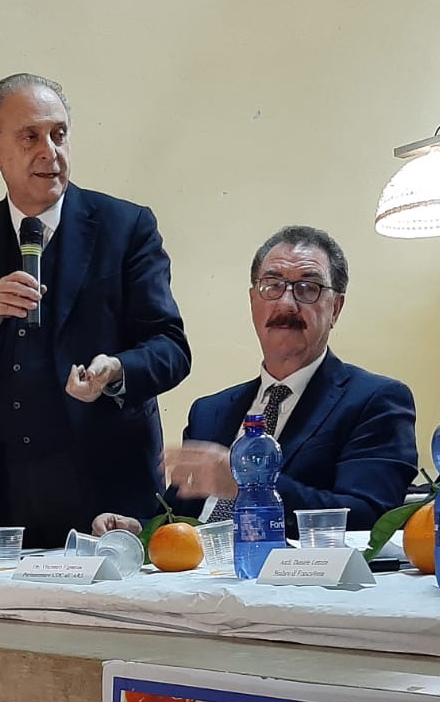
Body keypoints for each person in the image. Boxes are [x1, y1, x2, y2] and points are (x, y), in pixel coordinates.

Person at [0, 73, 190, 547]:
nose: (50, 152)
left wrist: (116, 370)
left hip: (104, 486)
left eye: (58, 134)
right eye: (30, 137)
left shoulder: (125, 227)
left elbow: (171, 348)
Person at [95, 225, 417, 537]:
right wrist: (141, 529)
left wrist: (248, 485)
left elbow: (368, 518)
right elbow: (183, 520)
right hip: (201, 571)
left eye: (308, 288)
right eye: (272, 285)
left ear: (335, 308)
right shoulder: (209, 412)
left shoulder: (376, 401)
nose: (286, 304)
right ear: (253, 301)